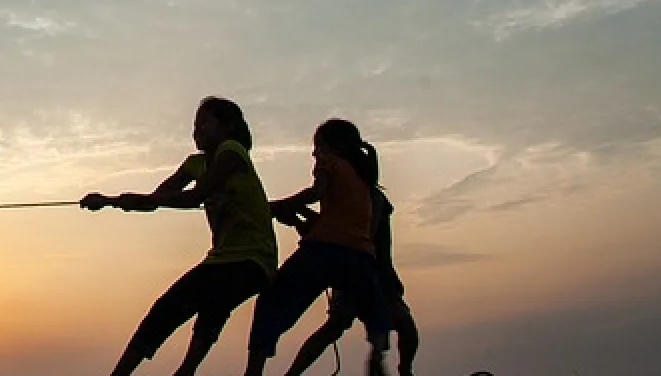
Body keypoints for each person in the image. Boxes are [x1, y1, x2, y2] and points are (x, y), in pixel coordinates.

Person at [81, 97, 278, 376]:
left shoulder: (232, 152)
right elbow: (157, 198)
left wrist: (147, 200)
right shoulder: (195, 164)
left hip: (254, 260)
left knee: (200, 304)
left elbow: (197, 195)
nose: (197, 130)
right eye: (194, 125)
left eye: (204, 123)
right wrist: (110, 200)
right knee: (186, 307)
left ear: (227, 126)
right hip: (224, 260)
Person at [243, 119, 393, 376]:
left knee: (273, 301)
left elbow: (316, 192)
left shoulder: (330, 163)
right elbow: (338, 222)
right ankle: (378, 353)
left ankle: (254, 369)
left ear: (338, 147)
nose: (315, 153)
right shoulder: (364, 185)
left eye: (319, 146)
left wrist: (279, 206)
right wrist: (295, 215)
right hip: (360, 257)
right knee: (374, 310)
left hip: (323, 252)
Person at [277, 154, 419, 376]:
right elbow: (333, 230)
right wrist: (296, 216)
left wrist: (294, 212)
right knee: (339, 328)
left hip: (370, 271)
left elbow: (358, 233)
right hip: (356, 270)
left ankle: (404, 370)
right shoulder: (346, 198)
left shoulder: (373, 199)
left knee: (401, 325)